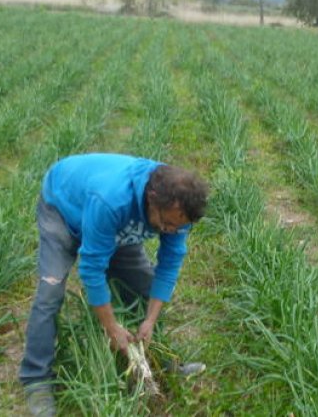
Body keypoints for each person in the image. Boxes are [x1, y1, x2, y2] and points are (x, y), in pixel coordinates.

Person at [18, 153, 209, 416]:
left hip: (111, 223)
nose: (168, 230)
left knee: (145, 287)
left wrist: (150, 321)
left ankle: (160, 360)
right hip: (63, 209)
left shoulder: (179, 212)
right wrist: (111, 327)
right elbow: (92, 268)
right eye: (165, 223)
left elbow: (169, 265)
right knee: (50, 292)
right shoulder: (112, 200)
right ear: (151, 199)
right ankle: (36, 379)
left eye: (176, 227)